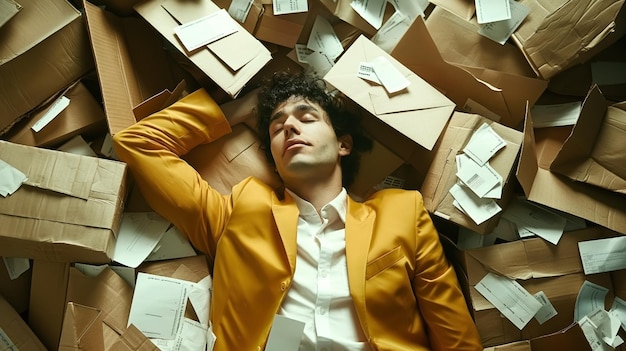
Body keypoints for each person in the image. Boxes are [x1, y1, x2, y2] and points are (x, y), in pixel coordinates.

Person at [113, 72, 482, 351]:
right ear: (272, 155)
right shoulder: (240, 210)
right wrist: (240, 111)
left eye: (307, 117)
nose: (289, 124)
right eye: (276, 126)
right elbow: (139, 145)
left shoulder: (401, 211)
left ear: (343, 144)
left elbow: (456, 335)